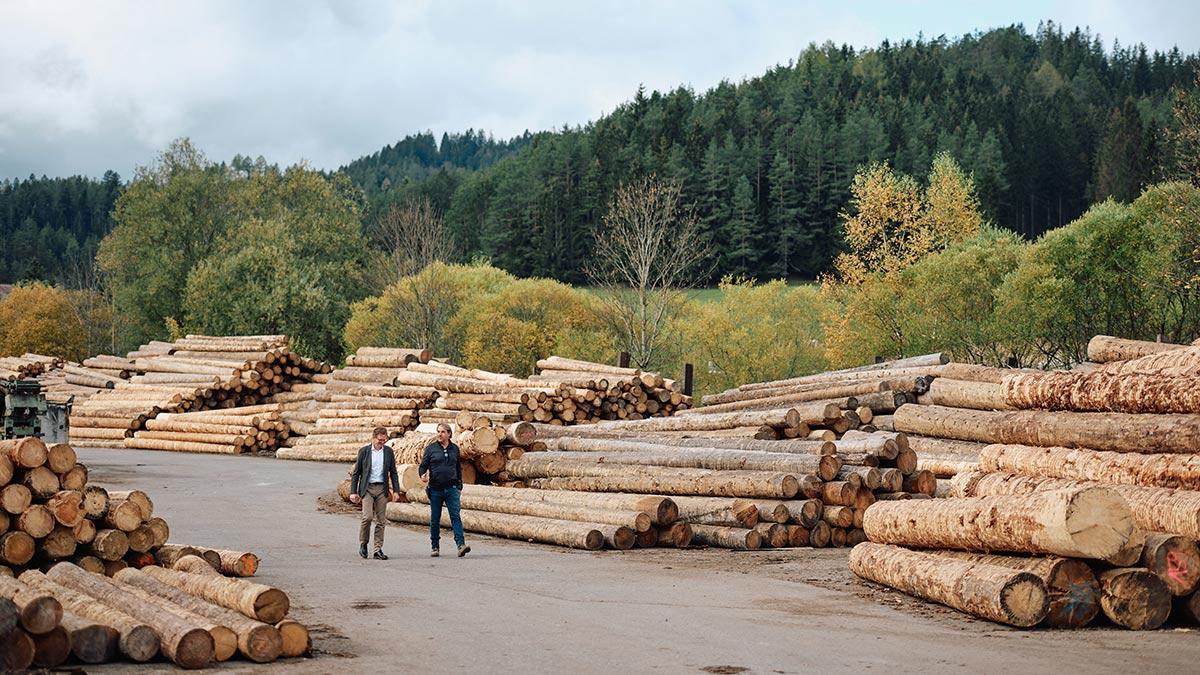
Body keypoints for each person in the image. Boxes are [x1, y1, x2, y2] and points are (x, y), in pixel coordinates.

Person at [419, 423, 470, 557]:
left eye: (442, 432)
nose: (439, 434)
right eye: (438, 431)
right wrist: (422, 475)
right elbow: (423, 466)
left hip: (452, 488)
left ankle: (461, 545)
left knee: (455, 516)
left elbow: (458, 468)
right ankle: (435, 546)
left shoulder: (455, 449)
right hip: (435, 488)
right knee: (435, 518)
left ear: (449, 434)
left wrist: (459, 486)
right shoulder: (431, 449)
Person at [349, 426, 401, 560]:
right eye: (379, 440)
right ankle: (363, 543)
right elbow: (356, 473)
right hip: (367, 488)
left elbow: (393, 472)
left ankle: (378, 549)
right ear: (373, 438)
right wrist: (353, 492)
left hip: (382, 489)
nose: (382, 443)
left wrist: (396, 490)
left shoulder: (388, 452)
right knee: (367, 517)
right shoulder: (364, 451)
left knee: (381, 520)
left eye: (384, 440)